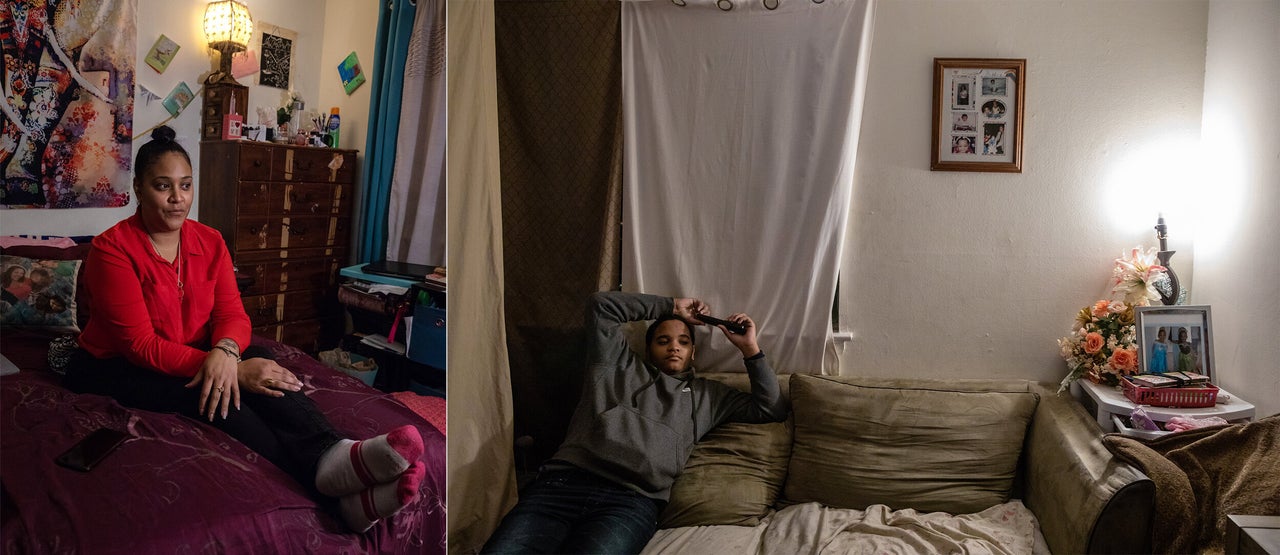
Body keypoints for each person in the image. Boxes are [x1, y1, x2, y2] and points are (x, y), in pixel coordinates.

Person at [63, 126, 425, 533]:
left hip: (195, 348)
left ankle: (334, 451)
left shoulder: (210, 240)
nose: (178, 198)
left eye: (185, 185)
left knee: (264, 364)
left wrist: (229, 352)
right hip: (115, 365)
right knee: (214, 390)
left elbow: (234, 314)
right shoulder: (111, 249)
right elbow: (141, 346)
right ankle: (333, 492)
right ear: (140, 189)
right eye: (163, 186)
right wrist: (230, 371)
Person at [482, 291, 789, 554]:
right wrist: (672, 306)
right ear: (648, 347)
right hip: (563, 485)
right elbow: (600, 305)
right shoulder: (616, 365)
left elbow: (771, 408)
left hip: (630, 502)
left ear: (693, 353)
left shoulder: (708, 395)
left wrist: (749, 348)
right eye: (663, 340)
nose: (674, 346)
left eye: (683, 341)